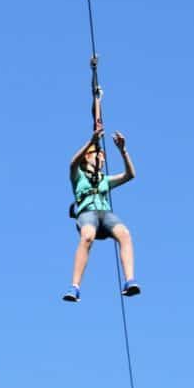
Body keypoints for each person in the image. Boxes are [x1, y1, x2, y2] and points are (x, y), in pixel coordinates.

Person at [62, 123, 139, 302]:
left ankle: (130, 280)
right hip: (88, 214)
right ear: (88, 156)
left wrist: (123, 151)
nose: (103, 160)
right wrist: (92, 141)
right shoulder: (78, 176)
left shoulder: (104, 180)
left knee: (125, 234)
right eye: (100, 155)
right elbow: (73, 162)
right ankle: (74, 287)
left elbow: (130, 175)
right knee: (87, 236)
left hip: (105, 214)